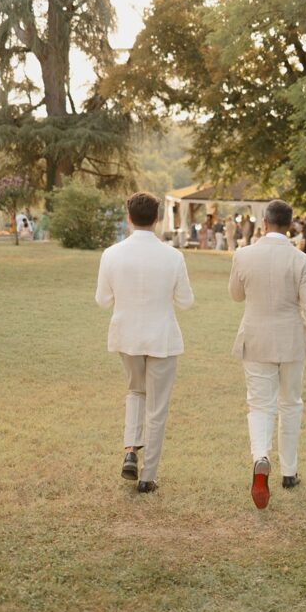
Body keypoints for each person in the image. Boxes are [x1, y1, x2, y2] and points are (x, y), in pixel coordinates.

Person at [228, 199, 306, 510]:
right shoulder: (301, 261)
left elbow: (235, 295)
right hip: (291, 342)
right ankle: (289, 471)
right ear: (290, 224)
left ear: (265, 222)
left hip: (256, 339)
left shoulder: (243, 255)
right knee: (291, 405)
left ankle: (261, 456)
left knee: (260, 405)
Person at [95, 192, 195, 493]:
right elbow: (186, 301)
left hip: (127, 334)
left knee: (135, 392)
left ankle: (129, 450)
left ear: (129, 217)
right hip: (161, 335)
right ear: (156, 218)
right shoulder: (173, 256)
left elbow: (102, 300)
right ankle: (148, 475)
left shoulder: (111, 254)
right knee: (157, 406)